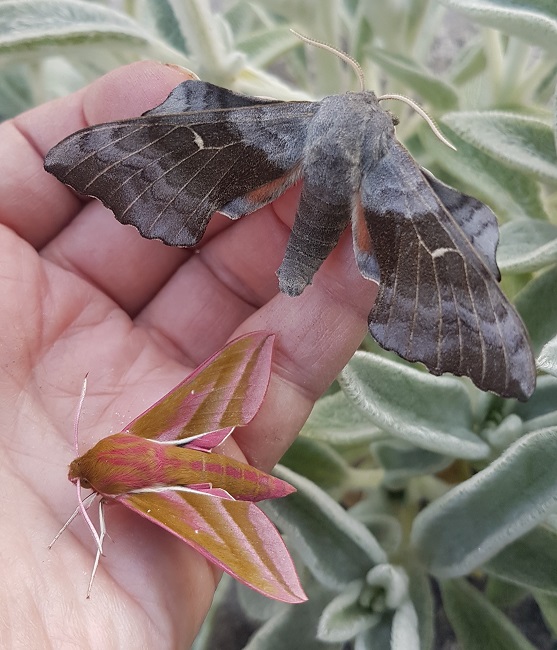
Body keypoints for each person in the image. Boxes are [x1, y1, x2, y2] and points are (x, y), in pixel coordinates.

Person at [0, 60, 376, 647]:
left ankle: (252, 543)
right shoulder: (132, 441)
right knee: (246, 362)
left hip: (187, 485)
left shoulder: (115, 493)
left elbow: (90, 520)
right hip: (178, 451)